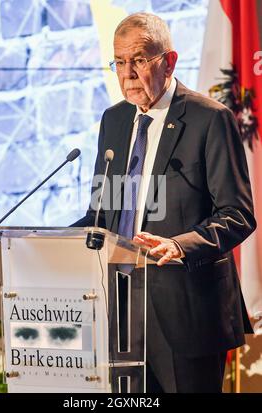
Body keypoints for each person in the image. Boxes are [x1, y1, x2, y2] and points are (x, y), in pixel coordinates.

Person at [74, 12, 256, 392]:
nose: (128, 73)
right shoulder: (114, 121)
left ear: (169, 61)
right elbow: (101, 212)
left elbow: (238, 214)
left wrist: (178, 244)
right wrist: (38, 243)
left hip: (187, 308)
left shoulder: (210, 119)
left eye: (139, 59)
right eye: (120, 62)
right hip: (122, 306)